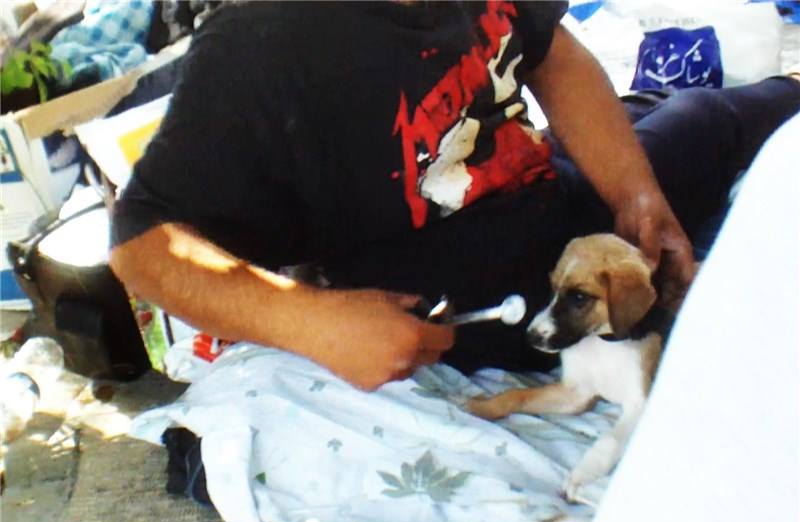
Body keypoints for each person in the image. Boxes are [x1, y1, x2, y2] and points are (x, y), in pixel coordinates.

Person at [109, 1, 800, 391]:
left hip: (550, 192)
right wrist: (310, 322)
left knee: (704, 118)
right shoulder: (262, 42)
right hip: (475, 292)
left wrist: (635, 196)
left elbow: (551, 53)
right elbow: (142, 243)